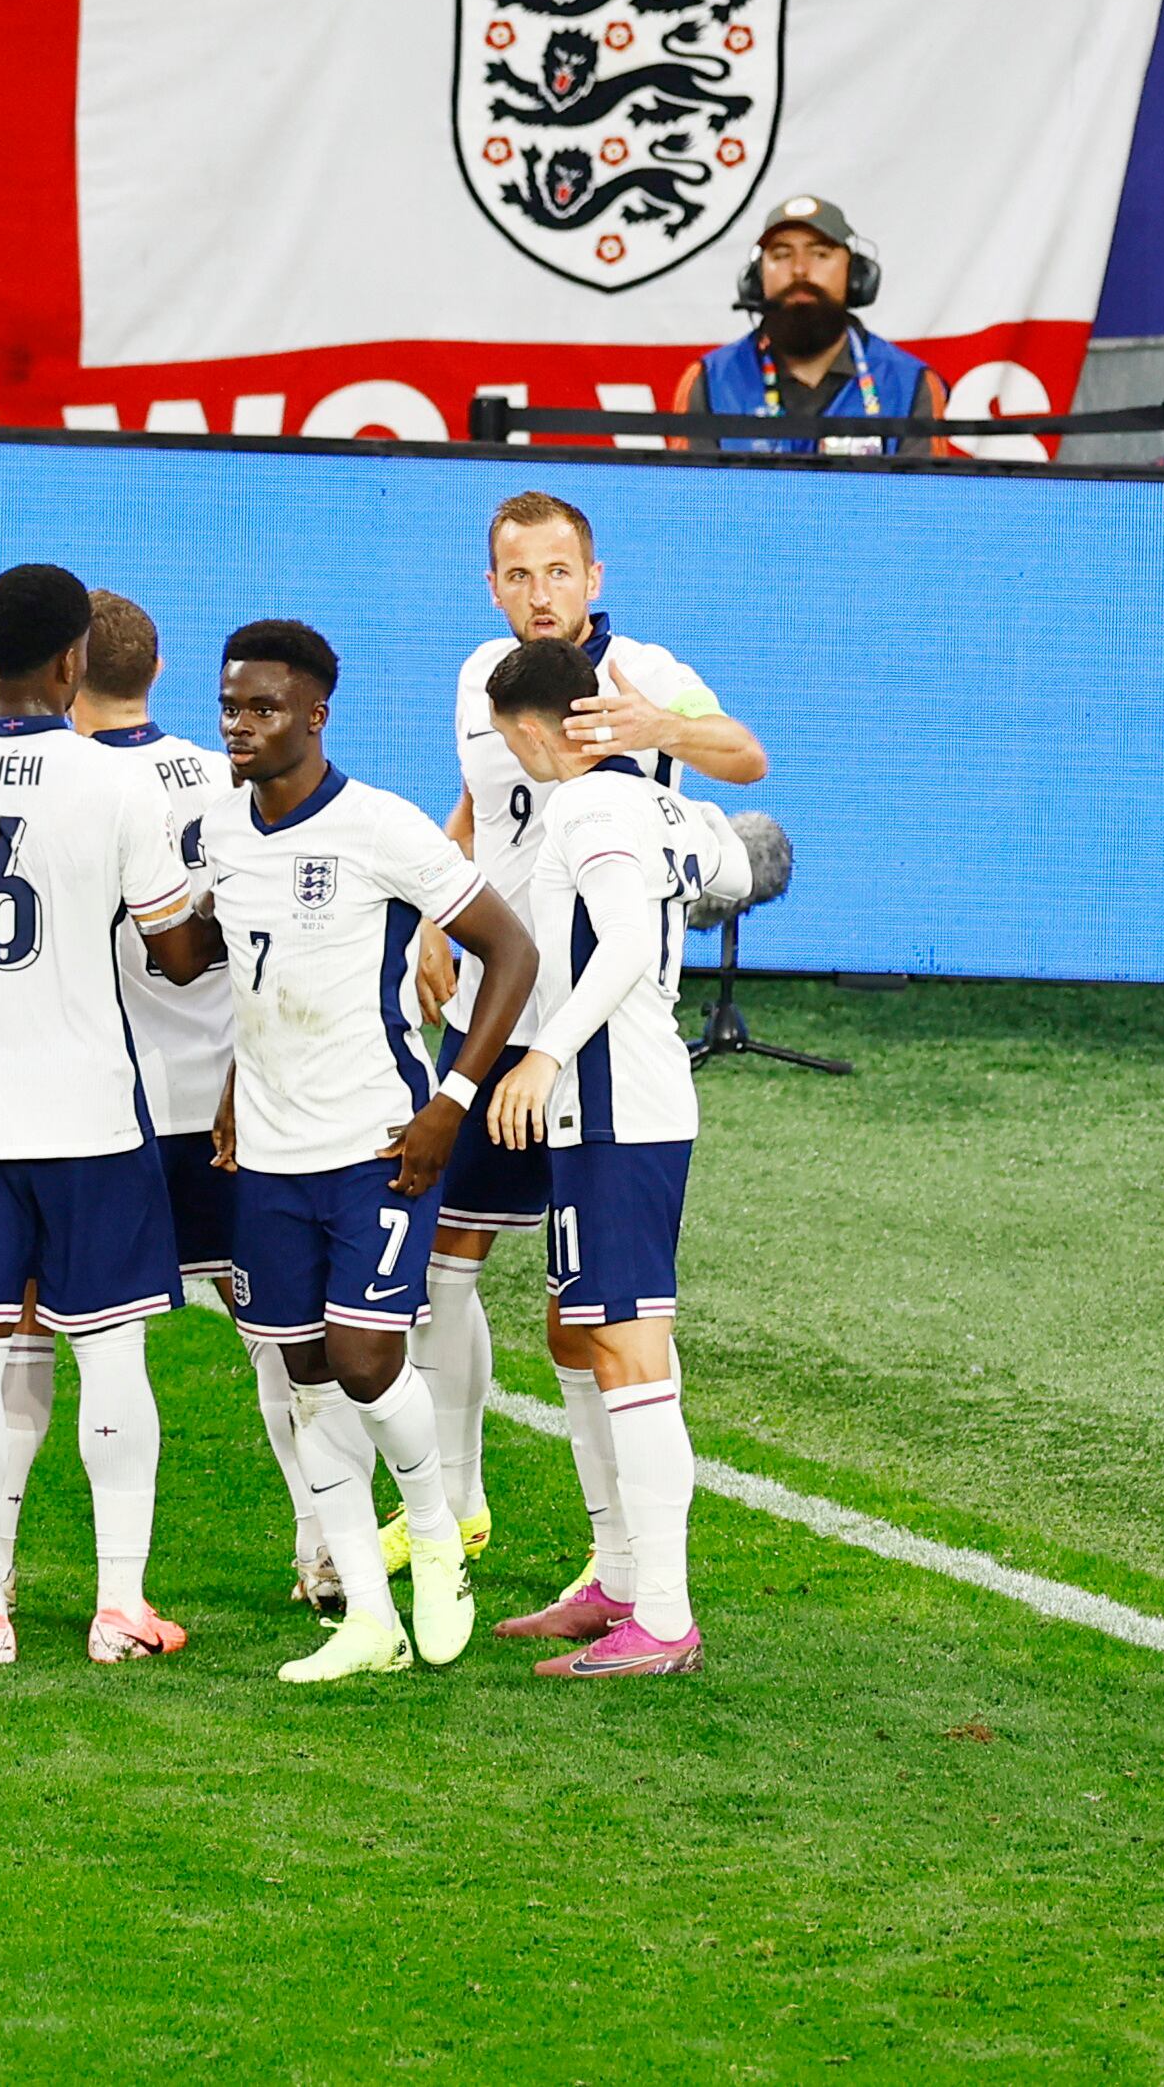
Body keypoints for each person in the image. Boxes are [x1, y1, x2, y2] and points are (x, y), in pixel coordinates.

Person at [0, 590, 230, 1626]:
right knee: (113, 1357)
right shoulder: (115, 788)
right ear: (74, 660)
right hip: (96, 1122)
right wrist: (235, 908)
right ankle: (121, 1607)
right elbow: (178, 957)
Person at [429, 493, 765, 1604]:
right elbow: (478, 811)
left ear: (593, 574)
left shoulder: (643, 675)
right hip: (499, 1030)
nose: (540, 593)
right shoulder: (489, 682)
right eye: (519, 575)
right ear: (493, 586)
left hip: (588, 1051)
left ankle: (653, 1596)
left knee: (618, 1321)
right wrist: (437, 912)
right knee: (494, 1291)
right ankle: (483, 1518)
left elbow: (746, 756)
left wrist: (653, 729)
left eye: (559, 572)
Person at [190, 617, 527, 1683]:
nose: (242, 724)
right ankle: (368, 1619)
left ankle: (437, 1534)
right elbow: (246, 968)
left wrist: (455, 1101)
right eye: (232, 706)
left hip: (380, 1141)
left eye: (265, 707)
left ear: (317, 714)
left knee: (367, 1358)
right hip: (271, 1157)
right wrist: (239, 1088)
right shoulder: (221, 832)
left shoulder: (379, 826)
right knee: (302, 1380)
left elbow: (508, 949)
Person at [470, 638, 715, 1679]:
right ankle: (618, 1576)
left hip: (617, 1105)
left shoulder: (589, 808)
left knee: (627, 1345)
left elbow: (619, 943)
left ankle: (661, 1617)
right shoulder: (660, 804)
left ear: (533, 729)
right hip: (613, 1107)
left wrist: (544, 1053)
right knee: (584, 1332)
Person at [684, 192, 939, 447]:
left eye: (820, 254)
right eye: (782, 255)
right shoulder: (711, 380)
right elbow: (687, 487)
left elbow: (924, 487)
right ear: (756, 279)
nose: (799, 270)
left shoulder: (908, 383)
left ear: (855, 275)